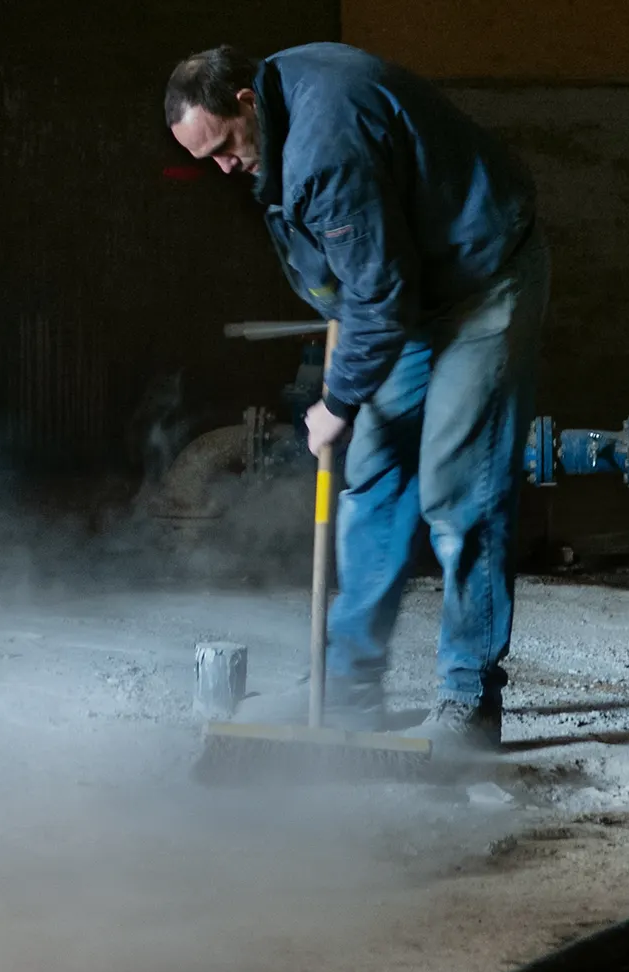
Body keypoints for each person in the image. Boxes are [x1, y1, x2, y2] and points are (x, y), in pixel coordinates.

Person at [165, 41, 547, 751]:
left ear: (245, 102)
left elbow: (379, 294)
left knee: (459, 494)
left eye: (222, 147)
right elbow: (364, 279)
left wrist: (335, 402)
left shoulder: (322, 147)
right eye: (206, 159)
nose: (223, 168)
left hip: (481, 279)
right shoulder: (279, 106)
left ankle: (471, 702)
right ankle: (347, 689)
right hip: (408, 288)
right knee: (371, 474)